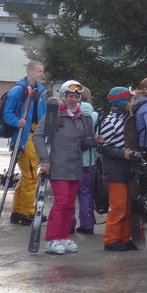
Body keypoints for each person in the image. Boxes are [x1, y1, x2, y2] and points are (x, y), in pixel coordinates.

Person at [33, 80, 97, 255]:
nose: (74, 99)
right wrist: (44, 160)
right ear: (63, 96)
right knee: (61, 203)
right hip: (58, 165)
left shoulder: (80, 117)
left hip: (75, 166)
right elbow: (38, 137)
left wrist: (93, 141)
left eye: (76, 97)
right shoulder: (54, 115)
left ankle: (62, 237)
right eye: (70, 96)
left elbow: (81, 143)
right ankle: (51, 240)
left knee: (69, 204)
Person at [3, 60, 47, 225]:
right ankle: (27, 212)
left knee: (27, 174)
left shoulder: (41, 91)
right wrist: (16, 122)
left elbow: (44, 114)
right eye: (39, 71)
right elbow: (7, 113)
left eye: (42, 71)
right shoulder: (18, 91)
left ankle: (17, 211)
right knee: (31, 175)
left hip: (36, 135)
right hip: (24, 136)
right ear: (30, 72)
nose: (42, 74)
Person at [96, 87, 136, 251]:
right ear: (122, 102)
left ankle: (125, 237)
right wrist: (122, 153)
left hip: (127, 167)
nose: (132, 103)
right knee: (118, 205)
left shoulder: (128, 119)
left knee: (127, 205)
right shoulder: (110, 122)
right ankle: (111, 240)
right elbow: (102, 147)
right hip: (114, 168)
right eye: (130, 100)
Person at [75, 87, 99, 235]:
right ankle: (87, 225)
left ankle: (68, 224)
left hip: (72, 160)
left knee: (69, 195)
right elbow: (98, 137)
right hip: (88, 160)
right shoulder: (94, 115)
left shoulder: (72, 113)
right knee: (86, 193)